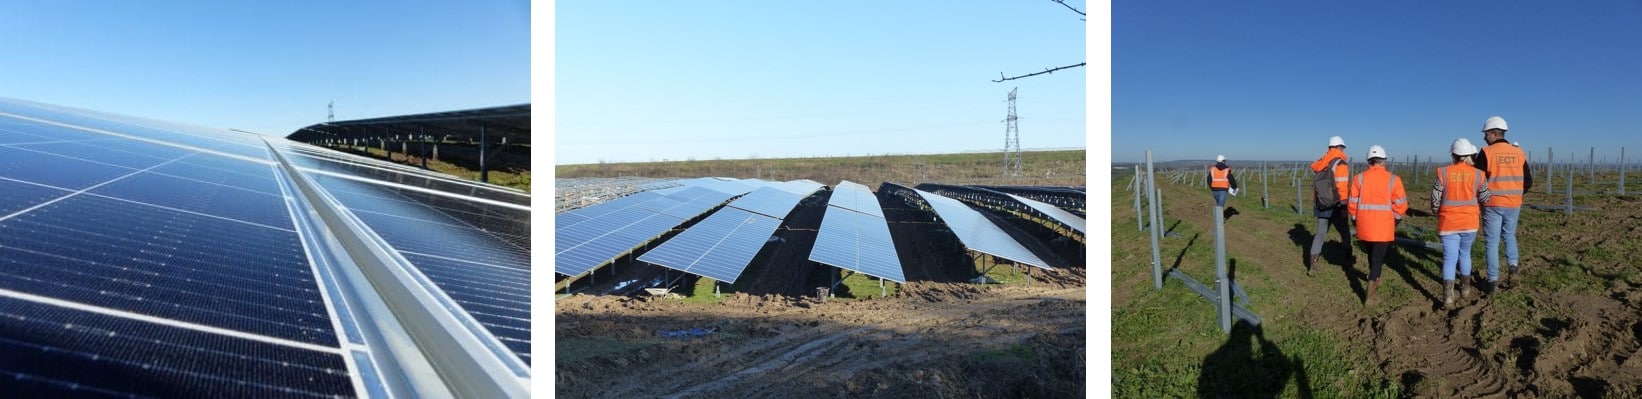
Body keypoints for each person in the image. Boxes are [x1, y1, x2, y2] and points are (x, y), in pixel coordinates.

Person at [1474, 116, 1531, 292]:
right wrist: (1515, 194)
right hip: (1514, 203)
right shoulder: (1518, 152)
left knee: (1491, 241)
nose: (1484, 138)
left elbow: (1477, 180)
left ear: (1493, 133)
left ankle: (1492, 281)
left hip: (1492, 204)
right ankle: (1513, 267)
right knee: (1509, 235)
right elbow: (1528, 181)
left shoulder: (1486, 152)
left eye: (1486, 134)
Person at [1433, 138, 1490, 308]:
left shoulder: (1443, 172)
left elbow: (1435, 198)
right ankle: (1465, 289)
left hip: (1448, 222)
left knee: (1449, 258)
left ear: (1453, 155)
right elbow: (1486, 198)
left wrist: (1437, 212)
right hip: (1470, 222)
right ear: (1468, 156)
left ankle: (1447, 297)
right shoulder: (1479, 174)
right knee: (1465, 254)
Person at [1348, 145, 1407, 306]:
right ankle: (1369, 296)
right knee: (1377, 260)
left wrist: (1355, 219)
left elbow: (1352, 203)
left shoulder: (1359, 178)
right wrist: (1394, 219)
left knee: (1371, 255)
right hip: (1383, 227)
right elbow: (1401, 204)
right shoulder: (1394, 179)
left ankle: (1375, 279)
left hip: (1364, 225)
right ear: (1384, 161)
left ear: (1369, 161)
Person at [1307, 136, 1352, 276]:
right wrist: (1344, 207)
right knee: (1345, 232)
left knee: (1320, 233)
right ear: (1340, 147)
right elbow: (1342, 187)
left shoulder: (1321, 162)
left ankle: (1312, 265)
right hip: (1337, 205)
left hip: (1322, 203)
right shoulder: (1340, 163)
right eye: (1343, 147)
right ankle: (1348, 259)